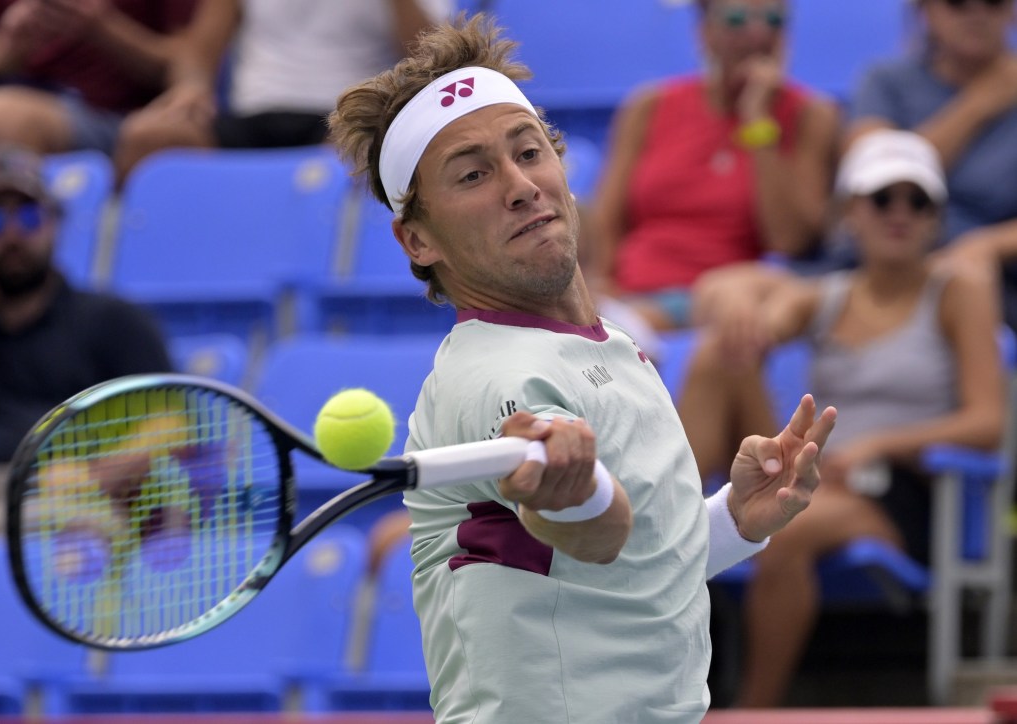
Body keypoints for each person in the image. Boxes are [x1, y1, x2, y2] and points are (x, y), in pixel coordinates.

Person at [327, 14, 836, 722]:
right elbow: (595, 531)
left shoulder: (614, 345)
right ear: (417, 239)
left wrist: (731, 522)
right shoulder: (497, 380)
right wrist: (574, 490)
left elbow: (633, 569)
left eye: (529, 152)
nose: (519, 185)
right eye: (473, 174)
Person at [677, 129, 1005, 708]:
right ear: (851, 211)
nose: (900, 213)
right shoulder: (823, 295)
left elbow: (988, 422)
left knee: (786, 527)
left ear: (936, 216)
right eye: (883, 198)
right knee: (718, 355)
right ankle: (665, 513)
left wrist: (881, 444)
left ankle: (754, 709)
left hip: (903, 492)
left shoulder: (959, 290)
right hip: (823, 477)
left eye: (917, 200)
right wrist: (739, 312)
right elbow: (759, 316)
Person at [0, 143, 172, 535]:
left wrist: (96, 475)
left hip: (72, 498)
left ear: (55, 223)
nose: (13, 234)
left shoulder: (111, 319)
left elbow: (172, 420)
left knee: (67, 525)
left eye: (30, 216)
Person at [585, 0, 838, 332]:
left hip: (726, 305)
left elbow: (790, 240)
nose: (757, 32)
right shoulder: (648, 107)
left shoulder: (811, 116)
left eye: (773, 20)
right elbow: (605, 226)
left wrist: (758, 119)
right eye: (736, 19)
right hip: (629, 296)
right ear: (704, 32)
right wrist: (599, 287)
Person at [112, 0, 452, 184]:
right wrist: (191, 86)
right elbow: (200, 51)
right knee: (144, 138)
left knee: (362, 153)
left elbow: (432, 58)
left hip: (346, 119)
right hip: (252, 115)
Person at [849, 0, 1017, 330]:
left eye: (994, 2)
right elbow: (870, 176)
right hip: (886, 265)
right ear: (924, 10)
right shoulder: (885, 82)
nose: (976, 13)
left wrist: (988, 245)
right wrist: (979, 104)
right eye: (957, 2)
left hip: (998, 281)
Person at [0, 0, 196, 156]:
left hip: (113, 115)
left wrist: (101, 26)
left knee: (12, 120)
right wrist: (12, 45)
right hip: (10, 99)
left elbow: (185, 69)